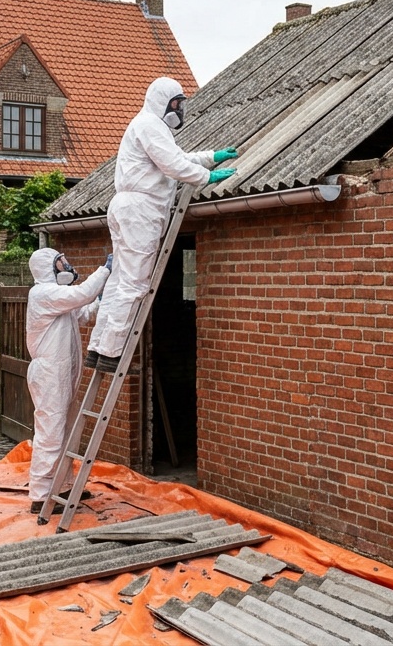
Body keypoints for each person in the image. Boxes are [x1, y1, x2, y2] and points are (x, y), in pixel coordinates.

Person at [85, 77, 237, 372]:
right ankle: (113, 353)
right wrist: (206, 177)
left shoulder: (147, 126)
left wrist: (211, 158)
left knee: (118, 281)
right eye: (177, 104)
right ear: (163, 102)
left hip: (127, 208)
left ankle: (99, 348)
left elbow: (176, 157)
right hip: (140, 211)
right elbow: (172, 164)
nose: (180, 110)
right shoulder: (150, 125)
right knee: (134, 284)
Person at [25, 246, 111, 512]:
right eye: (62, 263)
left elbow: (83, 311)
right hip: (49, 374)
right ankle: (40, 495)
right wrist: (106, 270)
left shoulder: (59, 298)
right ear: (48, 267)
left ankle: (62, 487)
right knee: (50, 433)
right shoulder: (42, 293)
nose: (69, 266)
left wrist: (103, 297)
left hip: (61, 373)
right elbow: (81, 294)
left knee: (64, 431)